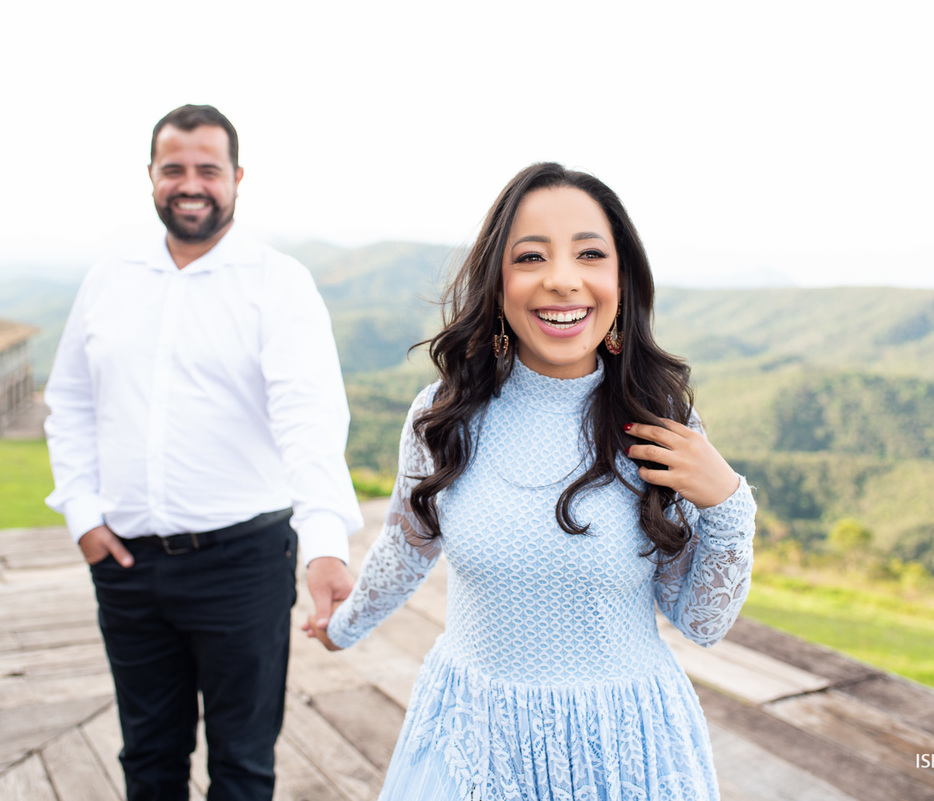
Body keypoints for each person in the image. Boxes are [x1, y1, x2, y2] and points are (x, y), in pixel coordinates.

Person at [309, 162, 756, 801]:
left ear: (621, 279)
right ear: (498, 282)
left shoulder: (660, 421)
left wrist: (729, 506)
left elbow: (701, 622)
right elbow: (407, 548)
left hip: (621, 746)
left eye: (589, 254)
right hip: (471, 739)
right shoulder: (445, 414)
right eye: (531, 256)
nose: (562, 280)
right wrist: (341, 626)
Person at [44, 104, 362, 801]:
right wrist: (83, 516)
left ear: (238, 178)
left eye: (208, 169)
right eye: (174, 169)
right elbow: (68, 402)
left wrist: (325, 544)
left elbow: (309, 420)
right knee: (147, 758)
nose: (191, 183)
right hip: (125, 564)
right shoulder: (109, 278)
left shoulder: (277, 283)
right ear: (151, 177)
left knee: (242, 766)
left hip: (242, 564)